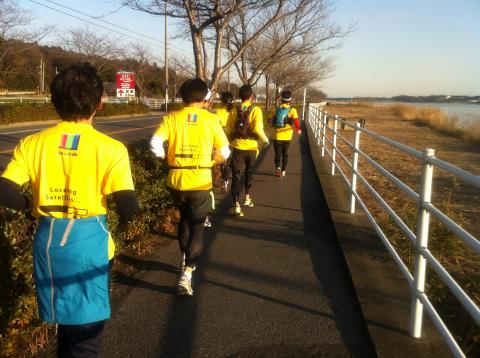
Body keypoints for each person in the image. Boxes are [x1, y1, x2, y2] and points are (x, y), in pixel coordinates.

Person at [0, 64, 140, 357]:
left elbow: (4, 190)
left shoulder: (32, 143)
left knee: (64, 322)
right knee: (86, 335)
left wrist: (30, 206)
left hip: (48, 242)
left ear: (54, 101)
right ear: (100, 103)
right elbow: (128, 206)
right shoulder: (111, 149)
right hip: (90, 246)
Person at [149, 78, 230, 296]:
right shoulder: (211, 120)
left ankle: (184, 257)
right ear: (204, 98)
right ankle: (187, 273)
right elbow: (225, 151)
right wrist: (212, 160)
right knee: (197, 226)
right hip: (201, 180)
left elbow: (155, 143)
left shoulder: (171, 119)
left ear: (182, 97)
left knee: (184, 221)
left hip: (176, 180)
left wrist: (164, 156)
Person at [226, 85, 269, 216]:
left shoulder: (234, 110)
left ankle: (236, 206)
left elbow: (228, 130)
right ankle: (247, 197)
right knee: (249, 172)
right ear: (251, 96)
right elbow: (258, 129)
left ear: (240, 96)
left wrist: (230, 142)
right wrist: (266, 140)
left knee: (236, 176)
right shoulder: (256, 110)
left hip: (238, 147)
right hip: (251, 148)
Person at [270, 89, 301, 177]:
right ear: (290, 100)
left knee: (277, 154)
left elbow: (270, 120)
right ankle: (283, 170)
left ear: (281, 99)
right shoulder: (292, 110)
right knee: (285, 153)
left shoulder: (276, 109)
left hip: (277, 135)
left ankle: (277, 168)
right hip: (287, 135)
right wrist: (298, 129)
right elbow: (296, 122)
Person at [214, 91, 234, 193]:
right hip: (231, 138)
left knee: (222, 160)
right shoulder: (234, 110)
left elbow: (217, 125)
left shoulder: (219, 110)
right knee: (229, 161)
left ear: (222, 100)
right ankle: (225, 181)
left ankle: (223, 178)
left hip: (221, 138)